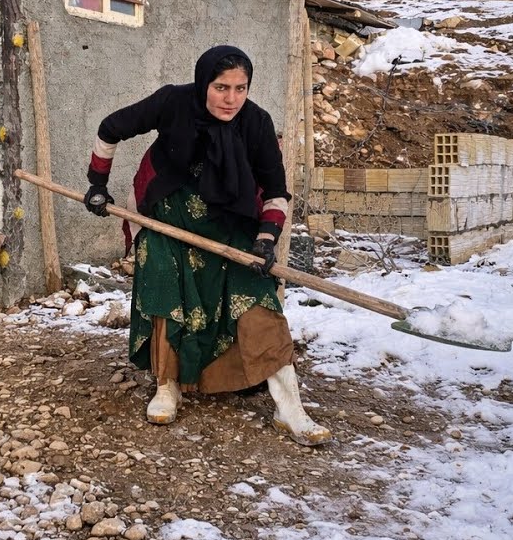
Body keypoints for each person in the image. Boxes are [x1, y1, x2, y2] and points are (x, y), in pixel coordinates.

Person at [84, 45, 331, 446]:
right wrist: (97, 184)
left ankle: (291, 407)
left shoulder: (256, 123)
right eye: (221, 87)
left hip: (231, 219)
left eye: (240, 88)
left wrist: (266, 240)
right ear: (203, 84)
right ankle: (168, 386)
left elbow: (277, 191)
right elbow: (110, 128)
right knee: (163, 277)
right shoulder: (173, 102)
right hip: (166, 216)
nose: (231, 99)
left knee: (256, 295)